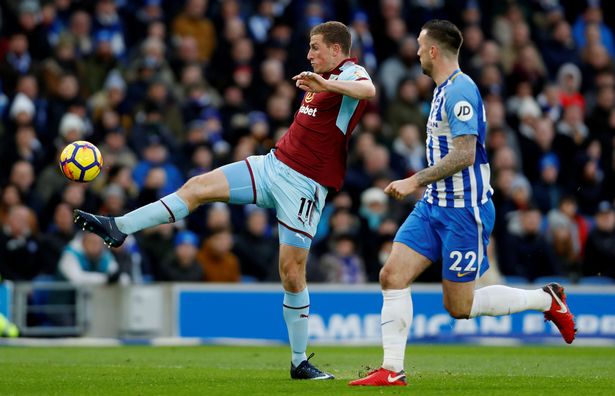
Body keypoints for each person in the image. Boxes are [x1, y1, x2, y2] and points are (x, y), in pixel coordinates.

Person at [74, 21, 375, 380]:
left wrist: (327, 84)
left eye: (315, 48)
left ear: (337, 50)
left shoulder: (349, 72)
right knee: (197, 186)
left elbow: (368, 90)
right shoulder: (318, 77)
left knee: (291, 273)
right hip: (271, 166)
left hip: (304, 186)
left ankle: (298, 362)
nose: (309, 54)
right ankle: (119, 226)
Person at [349, 20, 576, 387]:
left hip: (463, 212)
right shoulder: (441, 90)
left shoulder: (460, 92)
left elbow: (465, 154)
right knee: (392, 275)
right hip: (434, 206)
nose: (418, 51)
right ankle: (392, 369)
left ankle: (546, 300)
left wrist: (414, 180)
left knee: (459, 307)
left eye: (421, 45)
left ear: (434, 51)